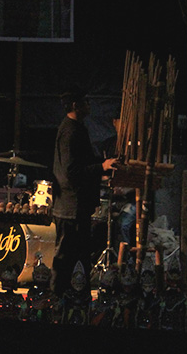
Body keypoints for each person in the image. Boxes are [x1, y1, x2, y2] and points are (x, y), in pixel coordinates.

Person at [51, 87, 118, 296]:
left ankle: (78, 298)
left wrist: (105, 164)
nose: (89, 106)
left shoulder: (77, 128)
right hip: (70, 206)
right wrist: (101, 167)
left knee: (78, 257)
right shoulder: (70, 131)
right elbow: (71, 171)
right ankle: (57, 298)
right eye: (86, 102)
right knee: (65, 258)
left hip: (77, 205)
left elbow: (84, 161)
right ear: (75, 106)